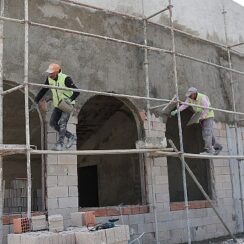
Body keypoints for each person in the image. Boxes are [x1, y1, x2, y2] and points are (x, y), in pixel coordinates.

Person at [30, 63, 80, 151]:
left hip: (67, 104)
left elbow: (77, 91)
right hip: (58, 104)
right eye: (49, 73)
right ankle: (70, 136)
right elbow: (43, 90)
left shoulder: (65, 79)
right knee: (52, 123)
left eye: (51, 73)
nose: (50, 74)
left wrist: (70, 99)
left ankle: (60, 144)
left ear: (57, 72)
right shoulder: (49, 79)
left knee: (62, 123)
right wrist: (35, 102)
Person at [171, 87, 222, 155]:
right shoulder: (190, 98)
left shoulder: (202, 98)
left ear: (194, 93)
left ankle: (209, 150)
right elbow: (184, 105)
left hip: (208, 115)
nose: (189, 96)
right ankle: (217, 146)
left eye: (190, 94)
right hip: (200, 115)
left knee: (206, 132)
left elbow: (206, 109)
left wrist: (201, 118)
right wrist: (177, 111)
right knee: (209, 132)